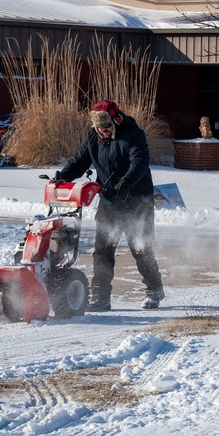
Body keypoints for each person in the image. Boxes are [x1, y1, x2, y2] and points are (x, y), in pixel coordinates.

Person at [56, 100, 165, 310]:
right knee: (102, 251)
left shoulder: (133, 134)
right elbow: (79, 161)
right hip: (109, 202)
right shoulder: (93, 137)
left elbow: (140, 161)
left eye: (106, 128)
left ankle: (154, 289)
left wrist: (127, 181)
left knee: (140, 249)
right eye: (98, 129)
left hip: (136, 203)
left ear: (115, 122)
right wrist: (62, 177)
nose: (102, 132)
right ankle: (100, 297)